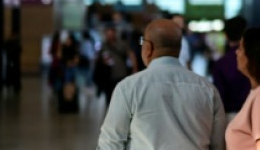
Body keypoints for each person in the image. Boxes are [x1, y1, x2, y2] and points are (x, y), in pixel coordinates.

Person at [96, 18, 227, 150]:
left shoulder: (128, 88)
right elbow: (218, 144)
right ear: (179, 48)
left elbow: (110, 143)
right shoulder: (208, 89)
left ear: (148, 47)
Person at [212, 15, 252, 122]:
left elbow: (220, 97)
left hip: (231, 117)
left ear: (226, 35)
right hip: (255, 113)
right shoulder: (256, 59)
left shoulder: (221, 64)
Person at [93, 24, 137, 105]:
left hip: (120, 73)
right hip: (108, 75)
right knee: (109, 97)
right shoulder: (103, 45)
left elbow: (131, 54)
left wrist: (134, 68)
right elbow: (97, 59)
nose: (109, 36)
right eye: (107, 34)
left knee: (121, 96)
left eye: (111, 34)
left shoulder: (122, 44)